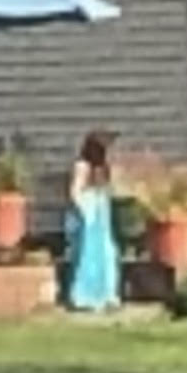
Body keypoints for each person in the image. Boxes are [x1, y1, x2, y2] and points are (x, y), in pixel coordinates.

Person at [66, 130, 123, 313]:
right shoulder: (82, 166)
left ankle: (107, 295)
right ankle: (84, 297)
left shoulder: (102, 167)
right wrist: (84, 211)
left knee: (106, 253)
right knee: (87, 254)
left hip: (101, 209)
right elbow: (75, 192)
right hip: (88, 212)